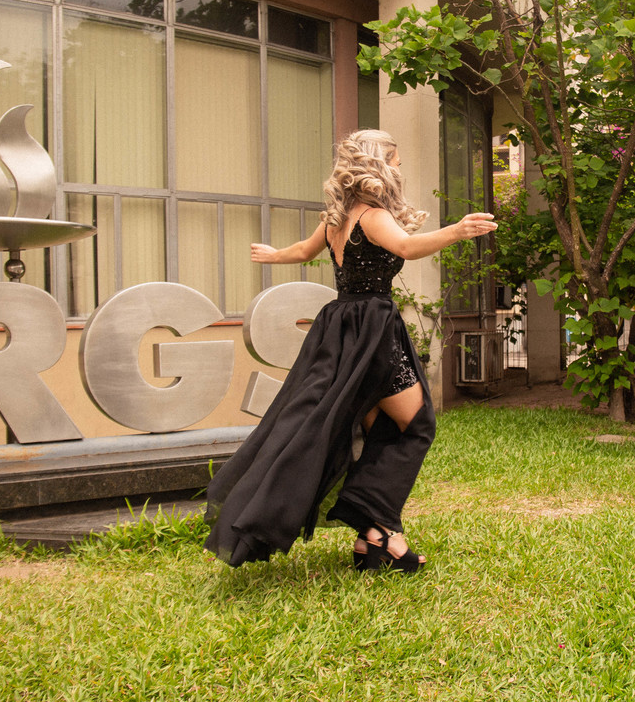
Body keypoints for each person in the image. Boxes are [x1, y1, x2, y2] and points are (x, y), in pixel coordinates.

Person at [204, 129, 496, 572]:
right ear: (380, 165)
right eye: (395, 160)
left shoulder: (338, 217)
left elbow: (303, 251)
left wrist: (271, 255)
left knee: (382, 428)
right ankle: (378, 529)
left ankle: (373, 539)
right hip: (373, 328)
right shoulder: (371, 215)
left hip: (342, 326)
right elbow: (406, 248)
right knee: (416, 425)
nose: (399, 168)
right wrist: (457, 231)